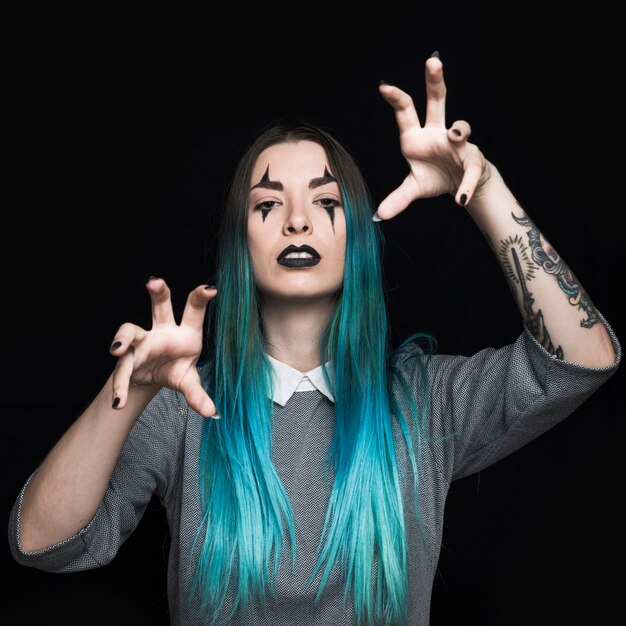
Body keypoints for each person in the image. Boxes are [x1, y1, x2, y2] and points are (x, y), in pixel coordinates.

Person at [8, 52, 620, 626]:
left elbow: (581, 361)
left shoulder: (423, 403)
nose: (297, 219)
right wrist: (132, 394)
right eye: (267, 204)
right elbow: (42, 544)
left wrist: (482, 190)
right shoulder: (185, 408)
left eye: (324, 201)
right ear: (238, 247)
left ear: (356, 236)